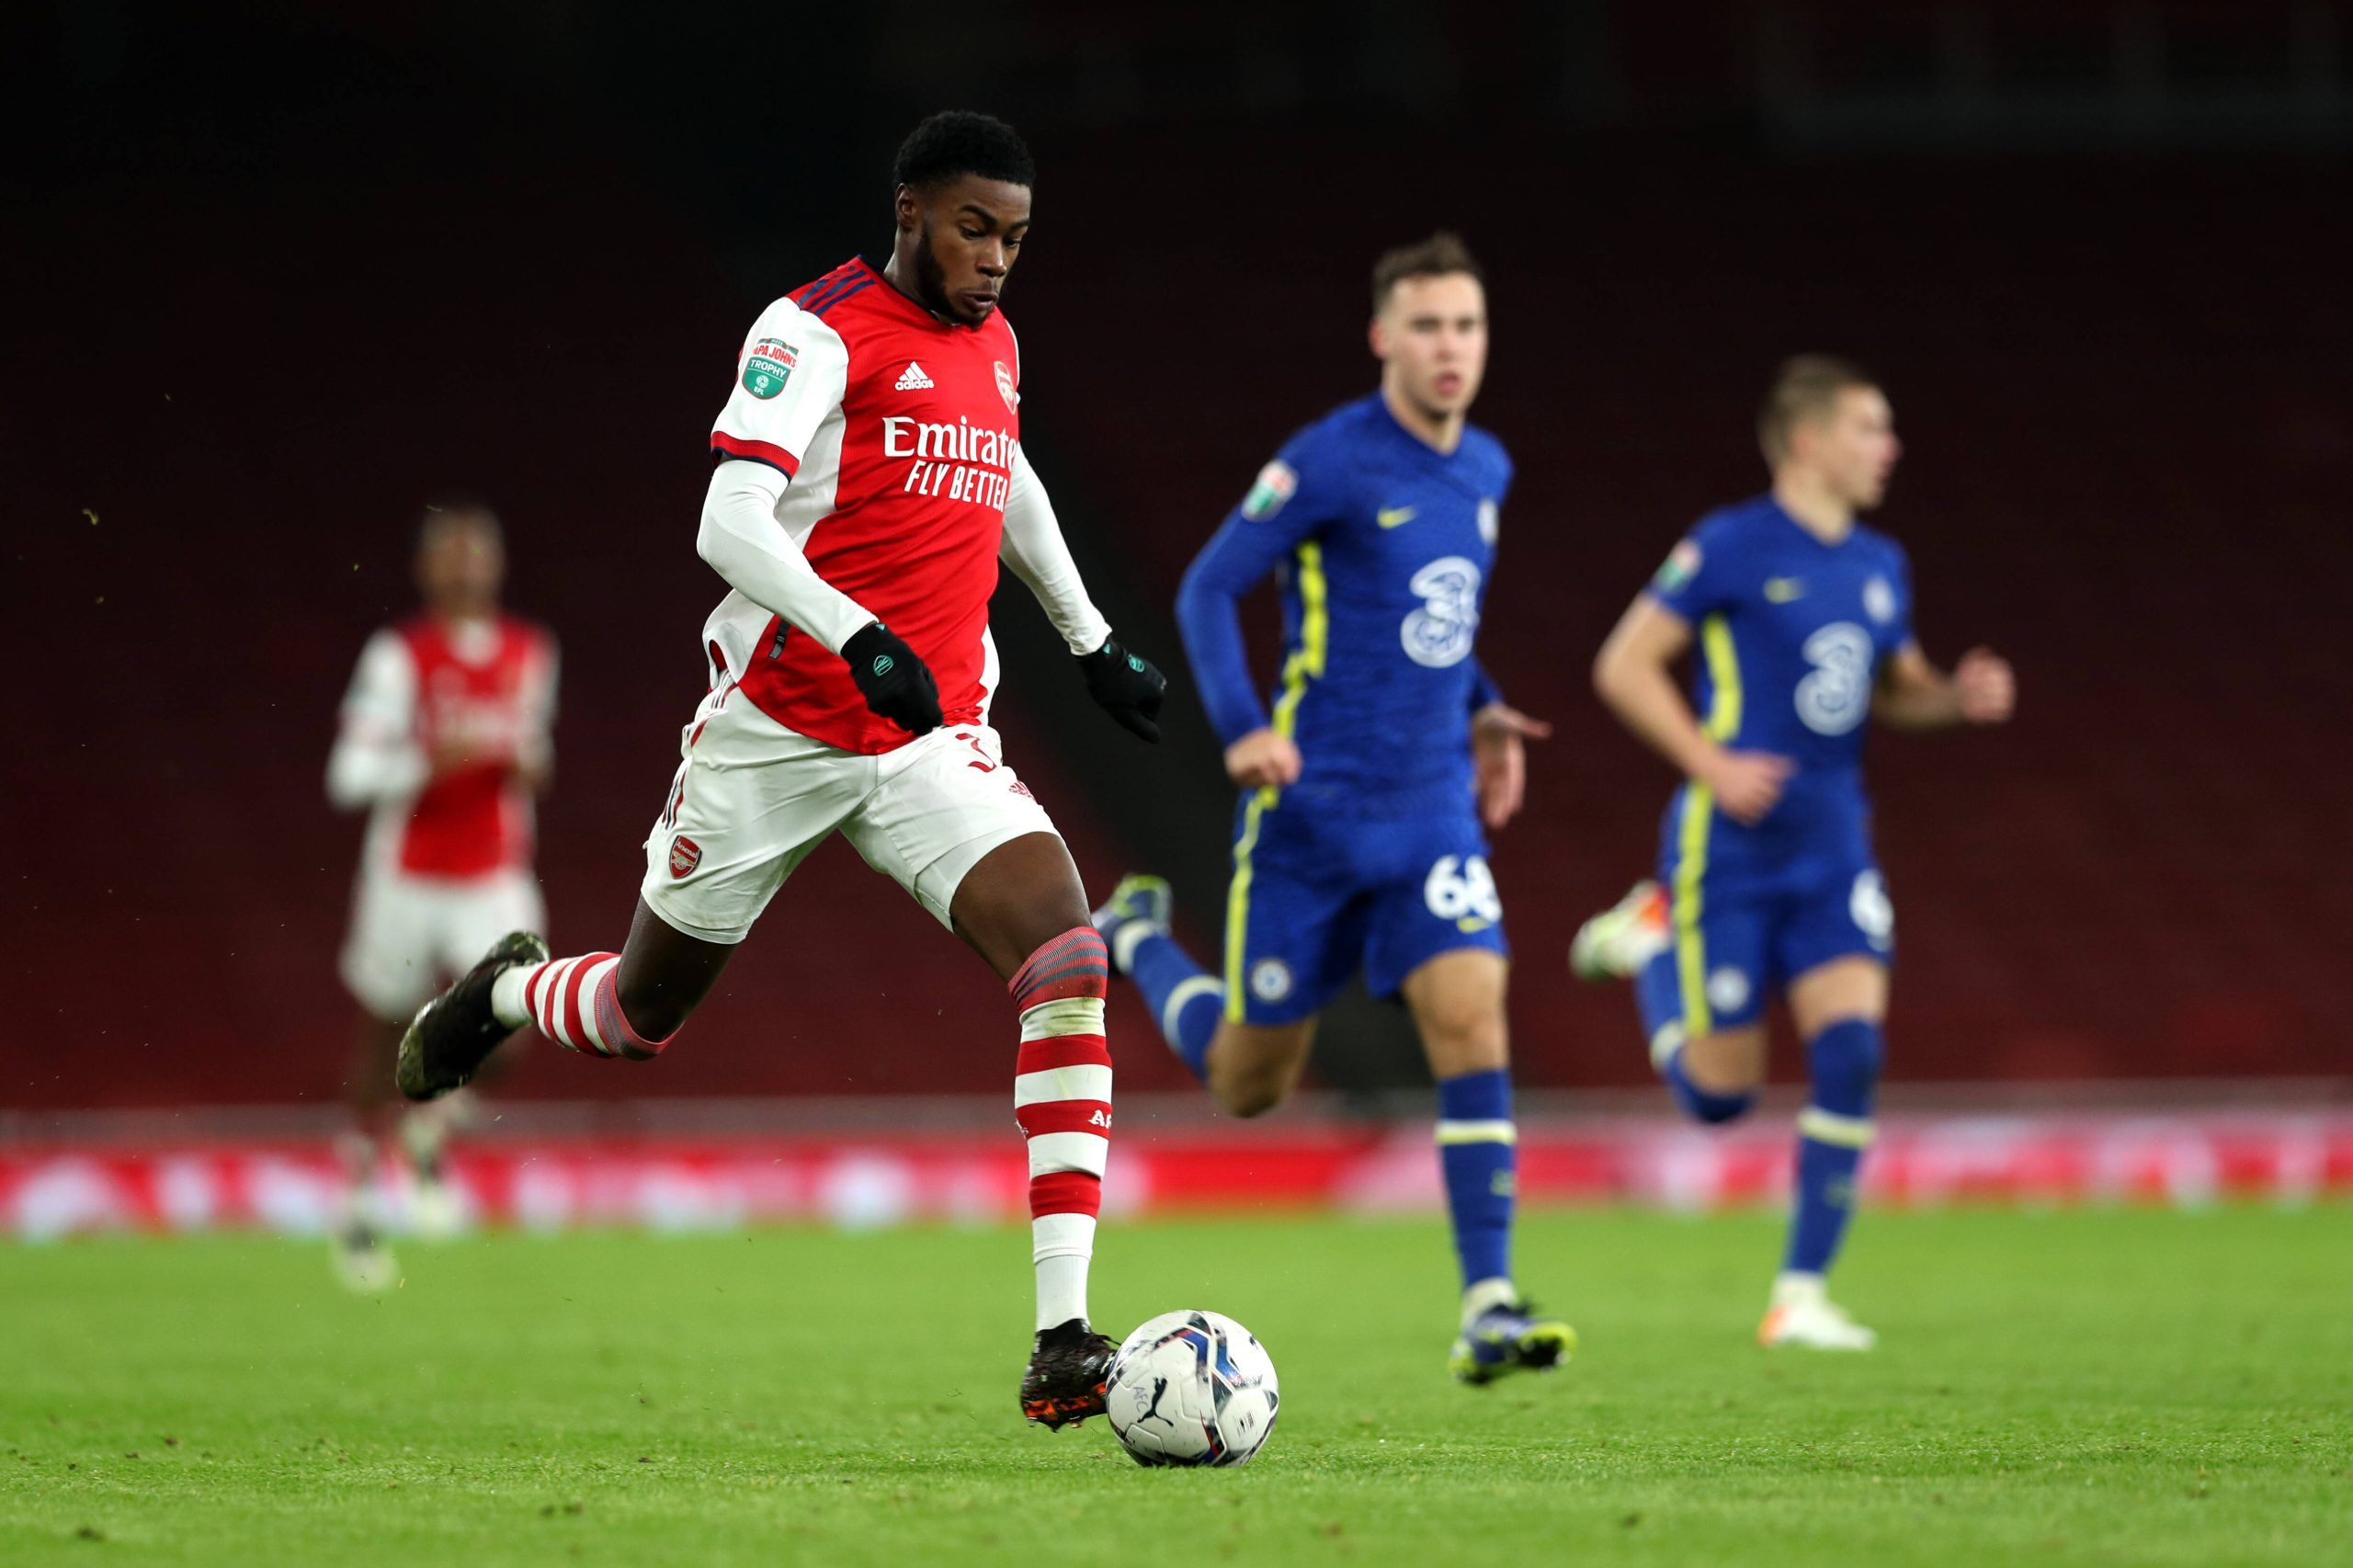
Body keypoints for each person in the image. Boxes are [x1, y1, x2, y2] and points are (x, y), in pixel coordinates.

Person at [391, 111, 1165, 1428]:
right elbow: (727, 516)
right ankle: (511, 990)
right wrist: (855, 633)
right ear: (911, 209)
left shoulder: (998, 345)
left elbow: (1009, 474)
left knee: (1069, 960)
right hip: (776, 729)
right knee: (643, 1013)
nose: (995, 261)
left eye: (1017, 240)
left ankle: (1062, 1337)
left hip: (930, 737)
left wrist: (1089, 640)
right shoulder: (809, 330)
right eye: (975, 229)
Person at [1092, 233, 1572, 1385]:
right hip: (1309, 822)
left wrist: (1489, 707)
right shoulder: (1330, 459)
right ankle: (1141, 940)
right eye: (1427, 326)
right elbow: (1210, 583)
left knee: (1473, 1019)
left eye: (1466, 326)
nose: (1449, 348)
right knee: (1251, 1084)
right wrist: (1244, 725)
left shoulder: (1487, 468)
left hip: (1430, 813)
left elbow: (1437, 630)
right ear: (1383, 338)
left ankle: (1489, 1300)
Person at [1572, 356, 2016, 1349]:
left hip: (1831, 845)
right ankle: (1649, 946)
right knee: (1719, 1097)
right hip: (1728, 846)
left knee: (1851, 1050)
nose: (1888, 448)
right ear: (1809, 441)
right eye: (1871, 427)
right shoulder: (1730, 545)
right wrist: (1709, 761)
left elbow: (1893, 691)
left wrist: (1954, 696)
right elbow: (1624, 663)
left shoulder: (1877, 563)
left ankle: (1800, 1292)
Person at [326, 499, 556, 1290]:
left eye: (476, 555)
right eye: (451, 556)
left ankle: (430, 1130)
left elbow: (532, 750)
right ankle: (358, 1206)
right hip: (408, 873)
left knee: (517, 1025)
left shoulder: (531, 651)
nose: (466, 570)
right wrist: (430, 761)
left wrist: (529, 767)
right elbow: (349, 776)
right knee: (382, 1033)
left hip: (493, 874)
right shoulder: (400, 657)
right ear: (428, 570)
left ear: (495, 566)